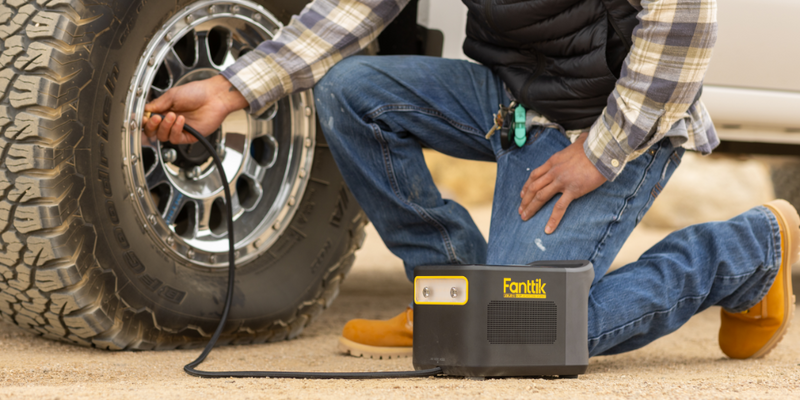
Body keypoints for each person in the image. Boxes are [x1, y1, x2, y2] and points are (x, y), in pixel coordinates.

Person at [143, 0, 797, 361]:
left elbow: (685, 18)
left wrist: (600, 153)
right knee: (349, 92)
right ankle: (448, 297)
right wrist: (233, 88)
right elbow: (351, 7)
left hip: (617, 122)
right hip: (512, 103)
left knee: (521, 335)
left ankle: (745, 252)